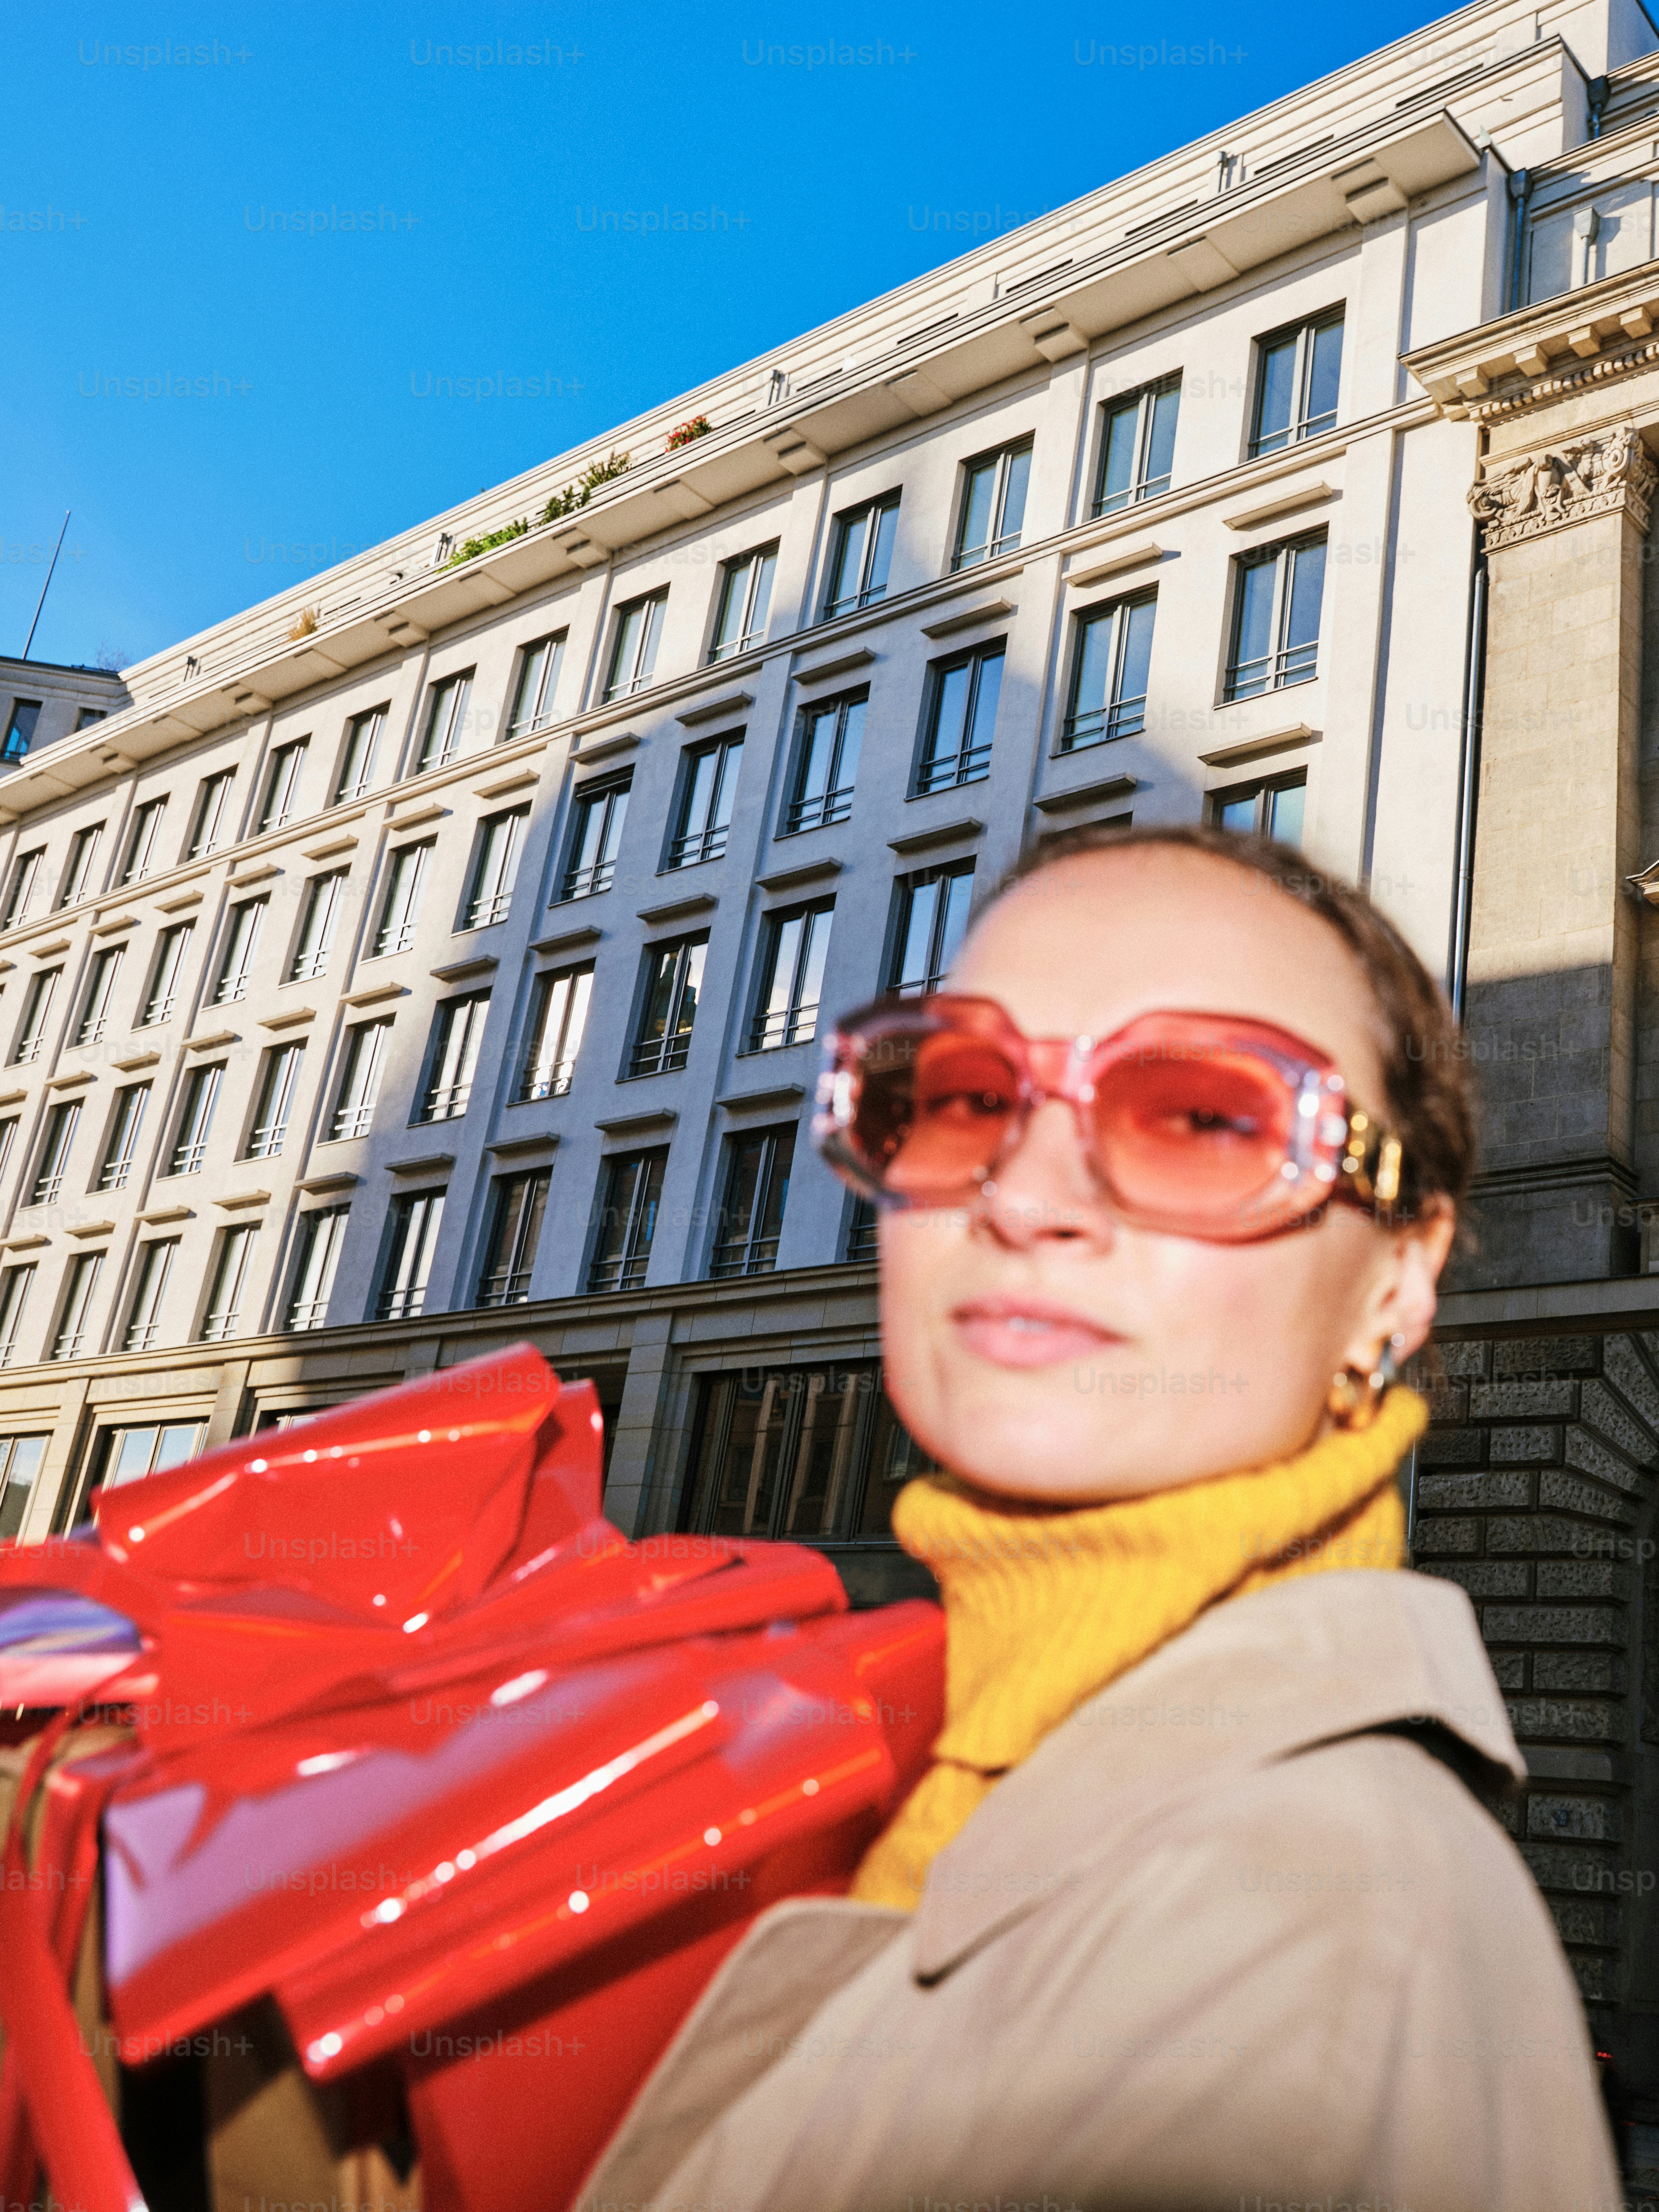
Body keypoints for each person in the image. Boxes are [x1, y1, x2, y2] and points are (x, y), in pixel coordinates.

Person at [581, 823, 1618, 2212]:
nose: (1026, 1194)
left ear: (1398, 1276)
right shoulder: (914, 1754)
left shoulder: (1296, 1949)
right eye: (961, 1096)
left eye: (1204, 1118)